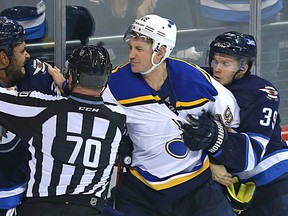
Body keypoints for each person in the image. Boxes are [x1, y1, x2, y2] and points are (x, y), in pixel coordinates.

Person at [100, 14, 241, 216]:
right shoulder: (115, 85)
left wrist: (217, 147)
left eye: (139, 49)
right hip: (140, 191)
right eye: (131, 47)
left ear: (161, 51)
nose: (131, 55)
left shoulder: (196, 80)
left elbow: (231, 121)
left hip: (197, 189)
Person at [0, 44, 126, 216]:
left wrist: (67, 85)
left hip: (41, 209)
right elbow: (87, 104)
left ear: (72, 74)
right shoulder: (118, 117)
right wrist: (68, 86)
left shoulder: (44, 109)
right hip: (89, 209)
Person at [205, 31, 288, 215]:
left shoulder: (262, 93)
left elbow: (250, 155)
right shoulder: (204, 79)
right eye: (215, 61)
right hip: (237, 185)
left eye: (225, 63)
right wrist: (210, 163)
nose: (217, 68)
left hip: (276, 179)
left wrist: (214, 159)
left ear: (244, 67)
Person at [0, 16, 59, 216]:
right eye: (22, 51)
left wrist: (66, 89)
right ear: (3, 58)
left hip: (34, 193)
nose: (28, 56)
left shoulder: (38, 76)